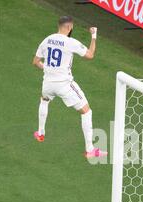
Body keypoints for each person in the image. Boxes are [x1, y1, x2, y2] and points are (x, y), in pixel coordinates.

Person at [32, 16, 107, 159]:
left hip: (47, 82)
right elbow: (90, 55)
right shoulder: (70, 42)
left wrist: (46, 68)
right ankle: (89, 150)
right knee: (86, 111)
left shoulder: (46, 40)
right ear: (69, 27)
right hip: (64, 85)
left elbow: (35, 62)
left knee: (44, 100)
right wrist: (94, 36)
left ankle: (41, 133)